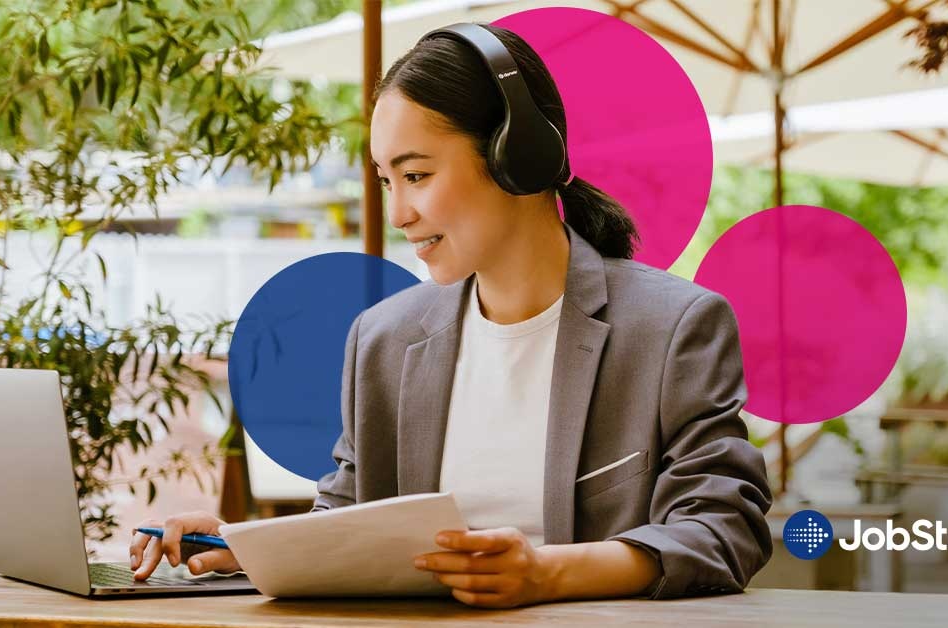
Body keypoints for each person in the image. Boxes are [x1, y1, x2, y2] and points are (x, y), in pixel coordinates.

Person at [130, 22, 773, 609]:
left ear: (515, 157)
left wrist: (546, 573)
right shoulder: (382, 340)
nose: (399, 213)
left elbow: (723, 531)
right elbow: (346, 521)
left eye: (416, 175)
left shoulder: (673, 327)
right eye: (387, 181)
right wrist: (250, 544)